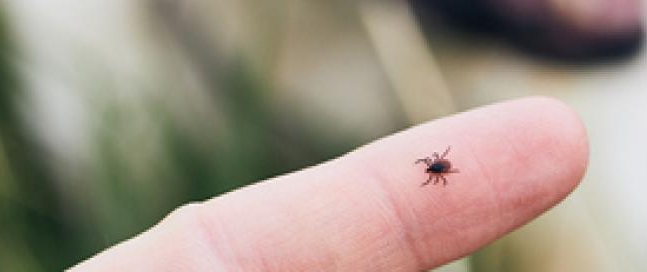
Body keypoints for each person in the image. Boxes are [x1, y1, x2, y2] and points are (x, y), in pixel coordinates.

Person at [73, 97, 589, 270]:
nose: (435, 168)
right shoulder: (436, 168)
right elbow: (439, 168)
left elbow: (437, 169)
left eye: (435, 167)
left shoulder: (434, 169)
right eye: (435, 167)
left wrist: (436, 173)